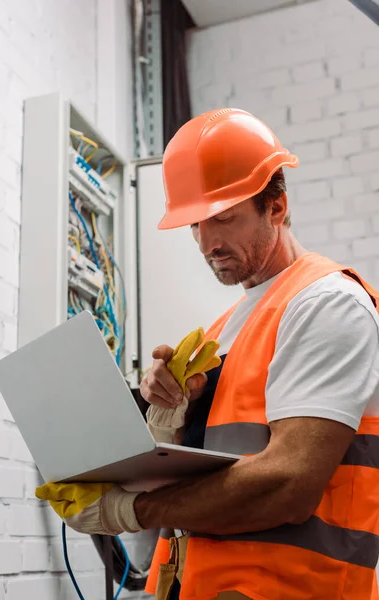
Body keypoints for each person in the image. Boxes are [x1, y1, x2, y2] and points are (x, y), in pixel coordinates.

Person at [39, 109, 379, 600]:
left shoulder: (327, 303)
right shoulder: (223, 330)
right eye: (195, 224)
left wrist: (127, 510)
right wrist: (166, 415)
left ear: (276, 207)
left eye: (223, 218)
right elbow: (203, 468)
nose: (207, 243)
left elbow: (288, 484)